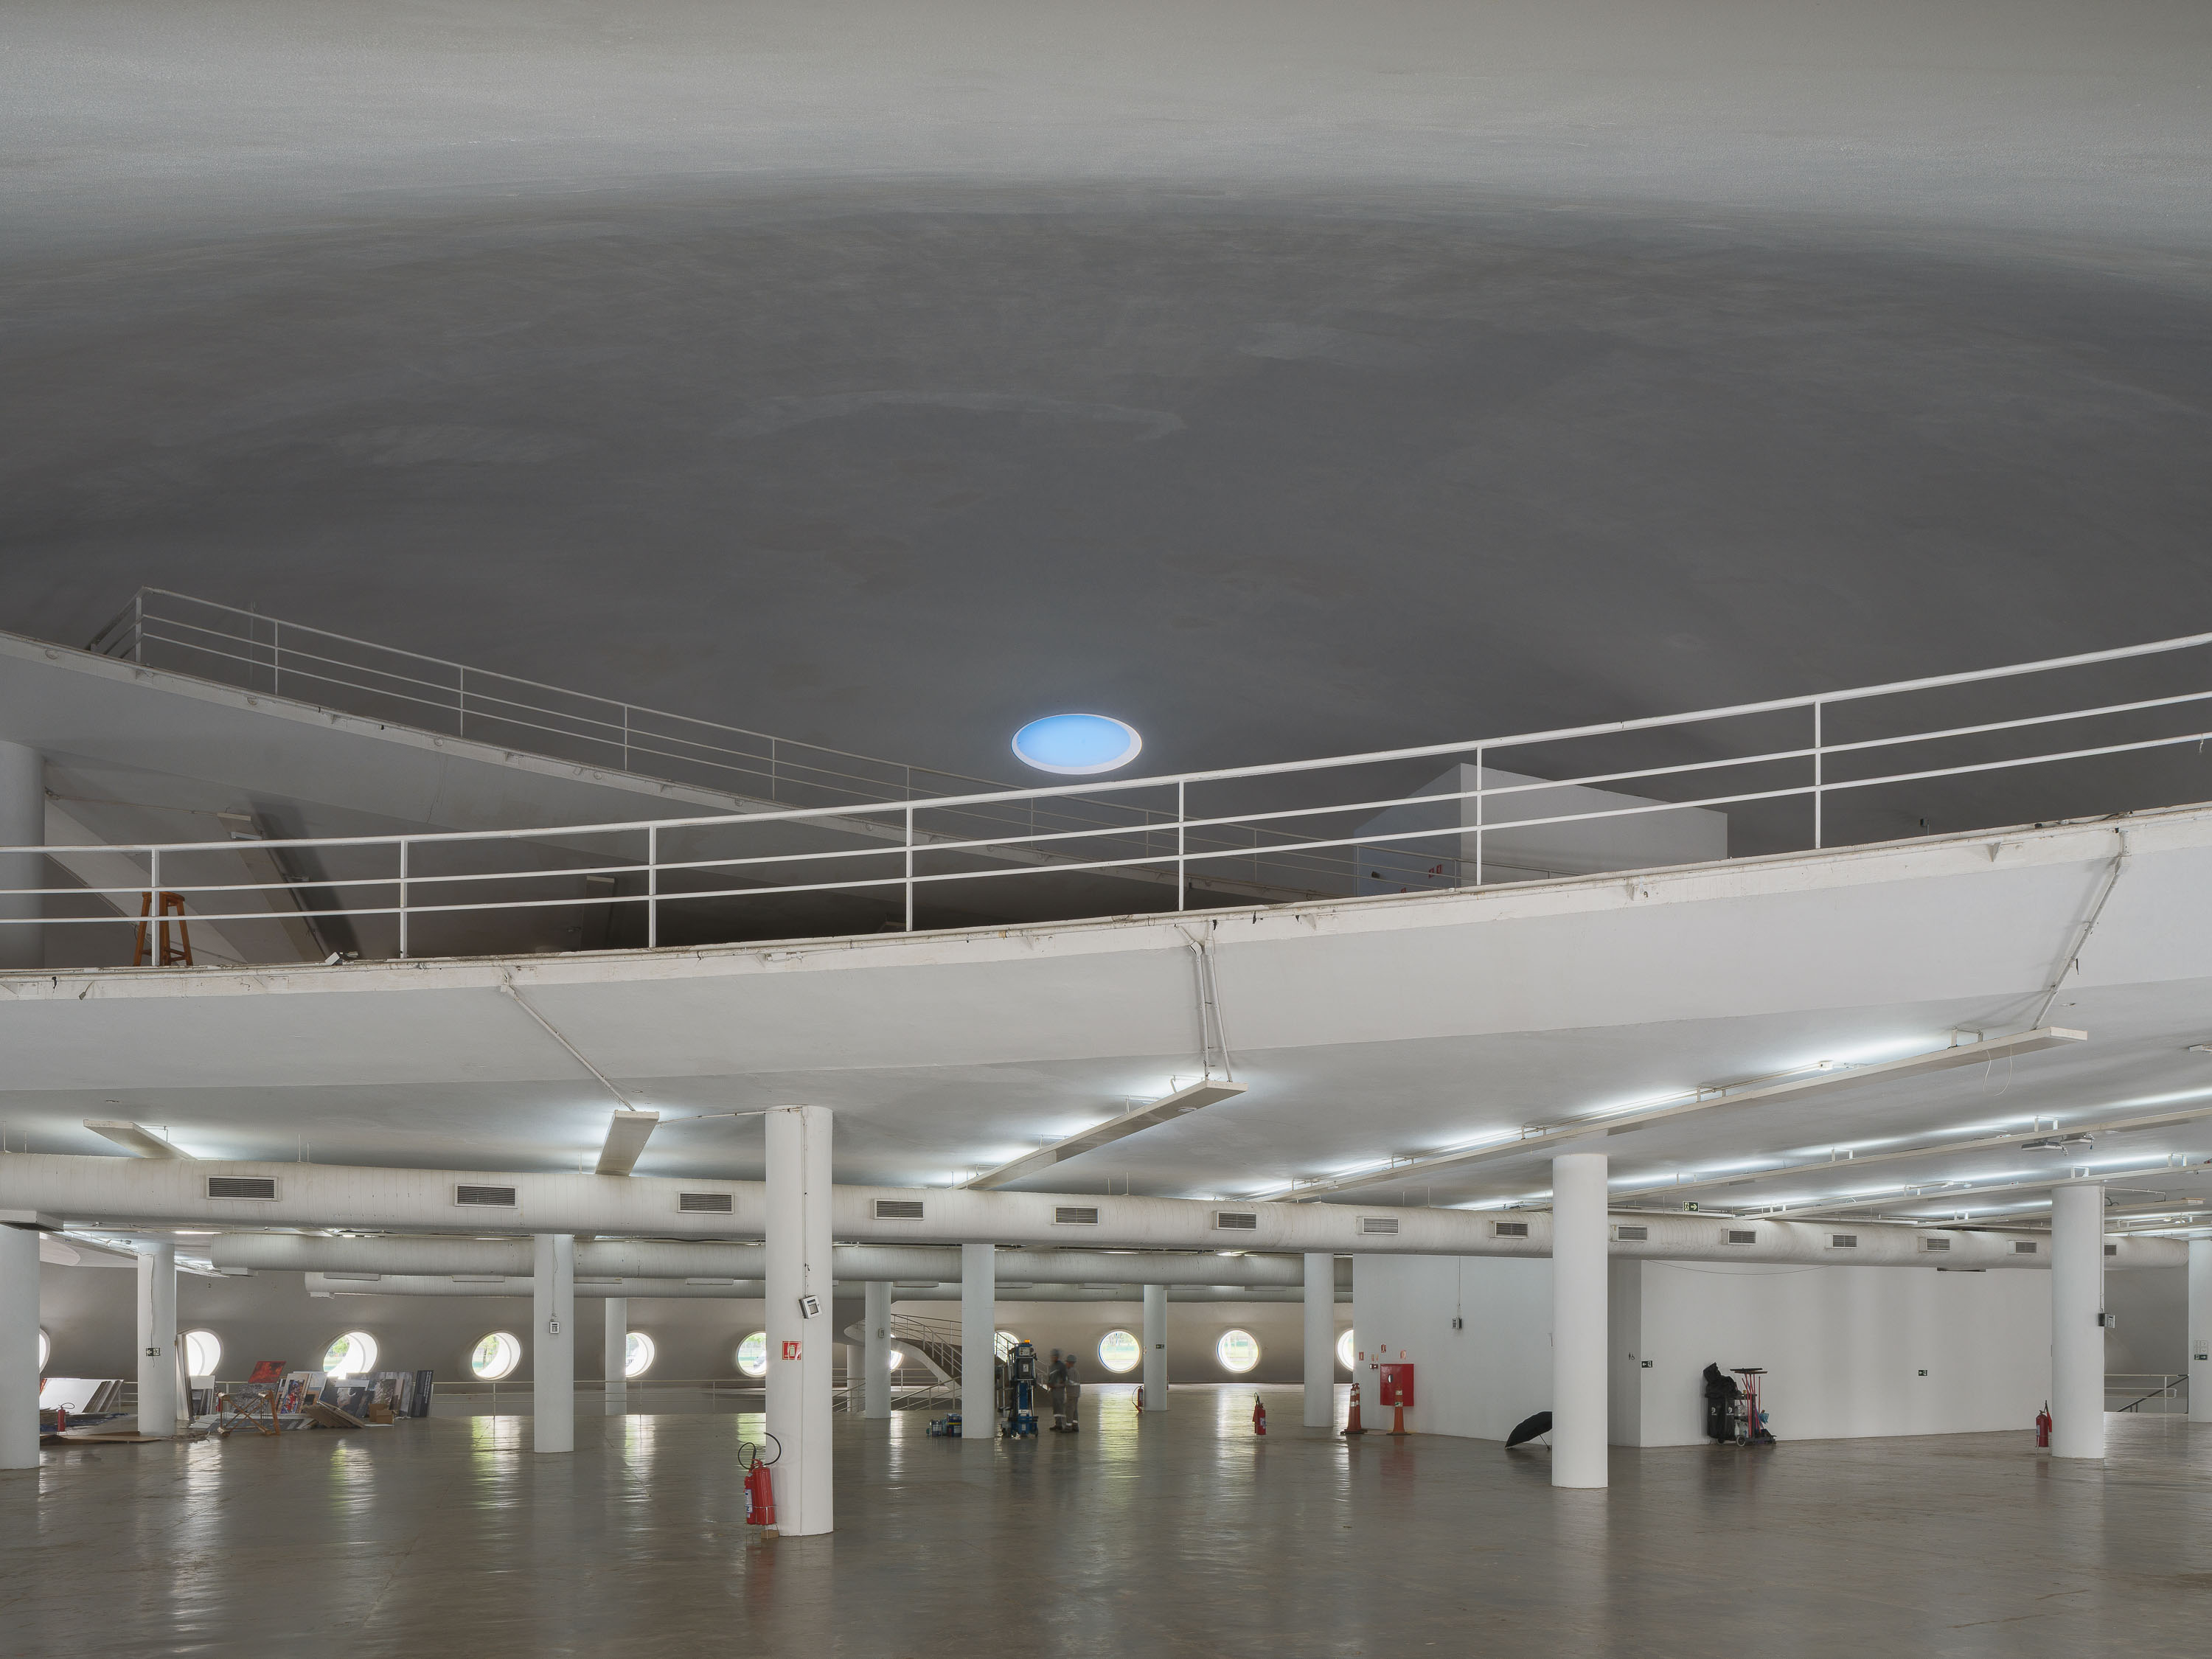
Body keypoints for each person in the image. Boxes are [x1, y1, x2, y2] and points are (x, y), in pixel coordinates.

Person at [1046, 1348, 1069, 1430]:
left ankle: (1063, 1424)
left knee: (1060, 1407)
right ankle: (1058, 1424)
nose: (1053, 1358)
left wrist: (1058, 1385)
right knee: (1055, 1407)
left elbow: (1065, 1379)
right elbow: (1050, 1377)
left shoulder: (1061, 1366)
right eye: (1052, 1356)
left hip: (1059, 1390)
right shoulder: (1052, 1366)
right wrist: (1049, 1383)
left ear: (1057, 1357)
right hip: (1053, 1390)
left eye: (1055, 1356)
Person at [1062, 1354, 1082, 1433]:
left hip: (1072, 1394)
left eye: (1067, 1362)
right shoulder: (1075, 1371)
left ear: (1070, 1363)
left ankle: (1068, 1427)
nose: (1066, 1364)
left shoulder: (1070, 1371)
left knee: (1069, 1410)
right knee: (1074, 1410)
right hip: (1076, 1393)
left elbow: (1070, 1382)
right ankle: (1075, 1426)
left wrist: (1062, 1382)